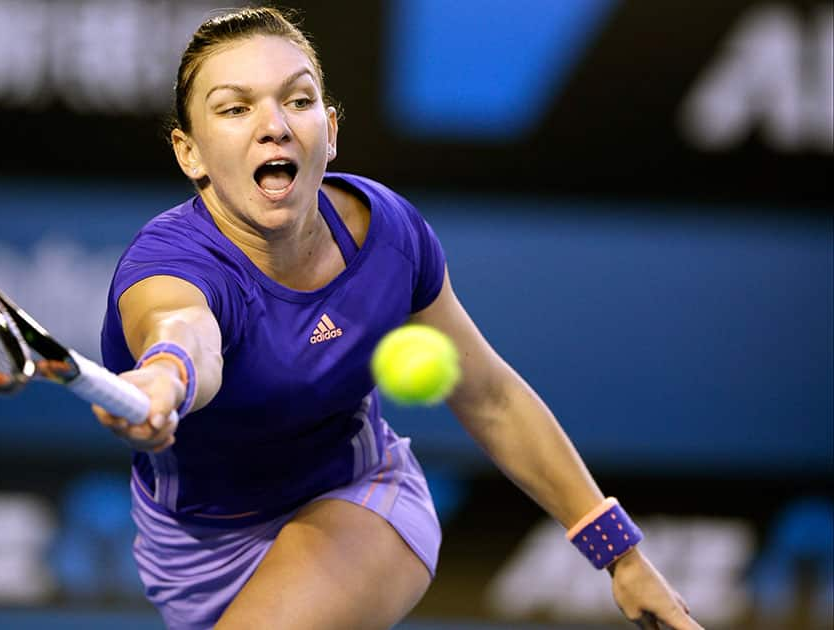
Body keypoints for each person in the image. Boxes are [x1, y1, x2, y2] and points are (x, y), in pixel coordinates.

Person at [93, 7, 704, 630]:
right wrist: (168, 375)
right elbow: (184, 332)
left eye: (297, 100)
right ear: (188, 152)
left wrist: (620, 556)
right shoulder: (168, 265)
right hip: (190, 548)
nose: (273, 125)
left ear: (329, 131)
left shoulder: (387, 234)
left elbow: (489, 395)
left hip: (358, 500)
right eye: (234, 108)